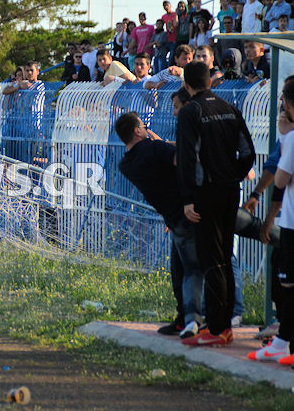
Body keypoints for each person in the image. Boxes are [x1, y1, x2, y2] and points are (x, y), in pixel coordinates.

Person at [177, 61, 255, 347]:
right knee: (224, 255)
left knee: (211, 259)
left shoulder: (190, 112)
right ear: (210, 81)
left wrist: (187, 199)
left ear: (187, 85)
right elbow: (248, 152)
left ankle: (218, 328)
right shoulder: (230, 108)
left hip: (205, 194)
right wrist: (233, 174)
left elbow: (187, 160)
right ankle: (225, 324)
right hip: (230, 190)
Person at [115, 110, 203, 338]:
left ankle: (184, 317)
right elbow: (183, 159)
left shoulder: (126, 164)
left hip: (172, 217)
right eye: (143, 126)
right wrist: (163, 143)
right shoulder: (154, 149)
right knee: (193, 269)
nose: (146, 129)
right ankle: (196, 318)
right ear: (137, 131)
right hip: (189, 210)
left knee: (179, 269)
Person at [248, 79, 294, 364]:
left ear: (288, 106)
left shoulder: (291, 139)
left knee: (288, 284)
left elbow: (280, 178)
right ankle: (282, 340)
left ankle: (282, 342)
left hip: (291, 223)